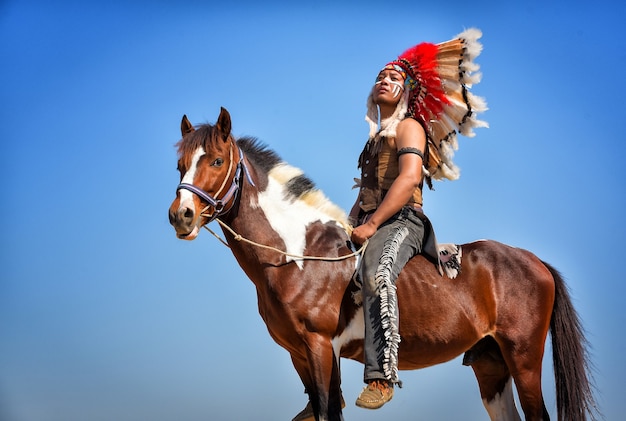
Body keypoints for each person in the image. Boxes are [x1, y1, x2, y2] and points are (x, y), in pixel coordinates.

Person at [348, 28, 488, 410]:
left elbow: (409, 177)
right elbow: (363, 196)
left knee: (378, 272)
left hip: (403, 222)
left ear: (406, 91)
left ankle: (381, 377)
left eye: (393, 77)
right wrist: (346, 228)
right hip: (373, 218)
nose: (383, 80)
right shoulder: (374, 140)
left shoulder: (410, 127)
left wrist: (373, 225)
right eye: (379, 76)